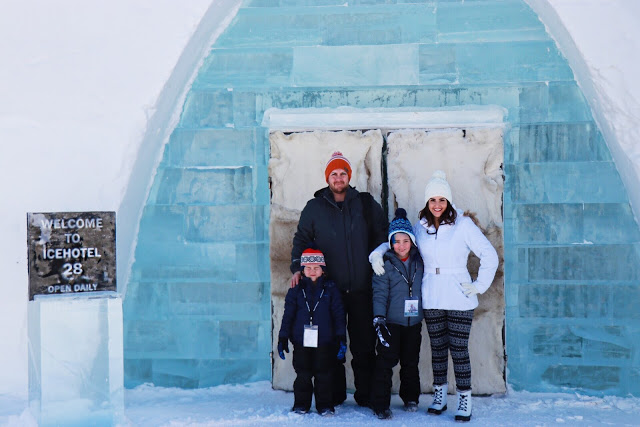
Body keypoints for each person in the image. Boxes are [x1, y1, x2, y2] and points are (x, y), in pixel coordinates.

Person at [370, 170, 498, 422]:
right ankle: (439, 396)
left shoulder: (463, 224)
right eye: (432, 200)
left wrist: (479, 285)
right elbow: (399, 239)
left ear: (448, 201)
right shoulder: (422, 227)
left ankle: (464, 399)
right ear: (427, 203)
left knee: (459, 349)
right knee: (438, 349)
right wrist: (377, 253)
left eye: (441, 200)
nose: (437, 205)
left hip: (459, 295)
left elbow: (489, 254)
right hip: (432, 296)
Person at [290, 151, 388, 408]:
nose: (338, 178)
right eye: (334, 173)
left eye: (343, 173)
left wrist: (379, 256)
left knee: (364, 345)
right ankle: (333, 395)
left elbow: (382, 236)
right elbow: (301, 239)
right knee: (330, 345)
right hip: (327, 292)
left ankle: (365, 395)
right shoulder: (314, 208)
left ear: (349, 176)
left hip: (361, 288)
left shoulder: (366, 204)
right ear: (327, 178)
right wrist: (296, 268)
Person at [278, 247, 347, 416]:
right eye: (308, 268)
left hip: (324, 341)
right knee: (303, 374)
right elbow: (288, 315)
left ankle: (324, 405)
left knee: (324, 374)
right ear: (302, 270)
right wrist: (283, 337)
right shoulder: (296, 290)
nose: (313, 271)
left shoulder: (331, 290)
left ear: (323, 270)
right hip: (301, 341)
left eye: (317, 268)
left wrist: (340, 338)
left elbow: (339, 315)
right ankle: (301, 404)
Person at [370, 208, 424, 420]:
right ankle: (380, 403)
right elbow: (380, 293)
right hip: (391, 322)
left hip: (414, 322)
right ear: (390, 243)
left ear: (411, 241)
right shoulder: (385, 263)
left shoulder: (420, 261)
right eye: (396, 241)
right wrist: (379, 318)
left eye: (405, 241)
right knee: (385, 363)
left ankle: (411, 397)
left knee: (411, 362)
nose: (401, 246)